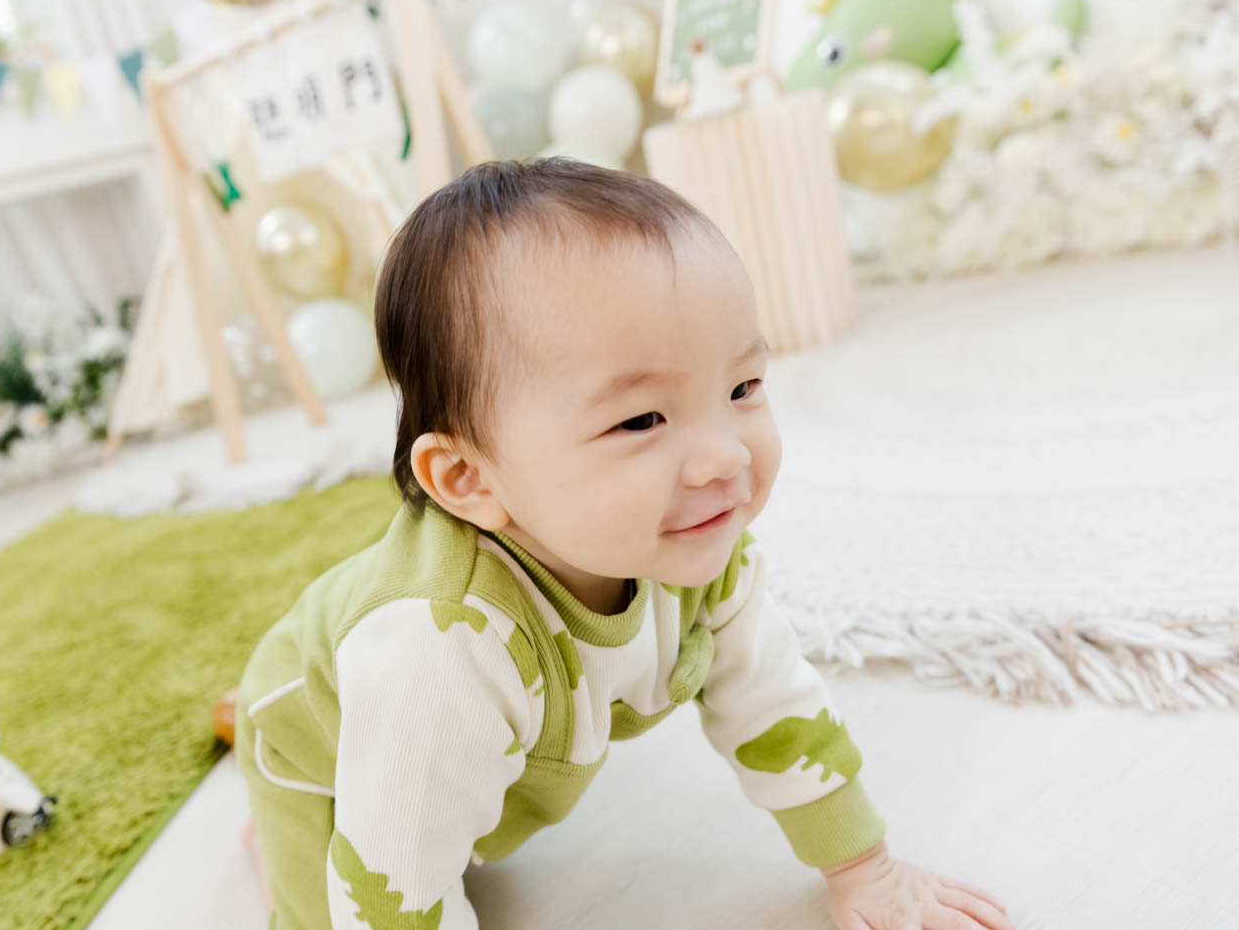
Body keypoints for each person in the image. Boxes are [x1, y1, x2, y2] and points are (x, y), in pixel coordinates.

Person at [234, 158, 1014, 930]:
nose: (725, 457)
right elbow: (391, 878)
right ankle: (272, 838)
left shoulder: (694, 550)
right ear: (470, 477)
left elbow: (773, 702)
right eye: (641, 420)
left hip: (459, 741)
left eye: (742, 388)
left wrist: (864, 869)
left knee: (459, 790)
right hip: (323, 758)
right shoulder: (436, 651)